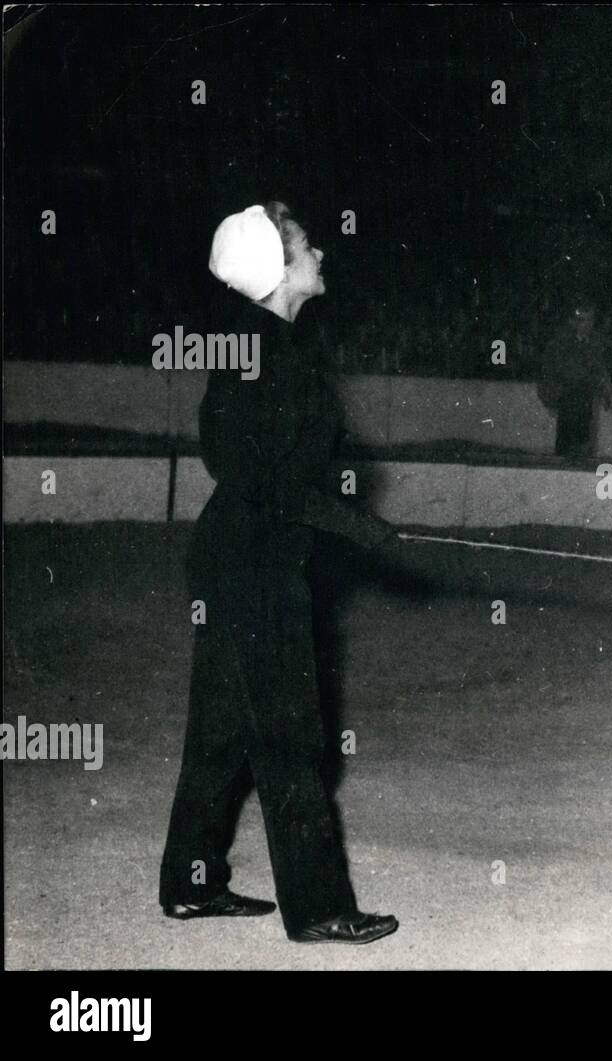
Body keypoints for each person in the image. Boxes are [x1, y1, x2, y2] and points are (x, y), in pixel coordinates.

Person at [159, 203, 399, 944]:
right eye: (303, 245)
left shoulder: (262, 346)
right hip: (255, 568)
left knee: (223, 731)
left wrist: (342, 518)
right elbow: (254, 473)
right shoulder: (265, 353)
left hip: (241, 557)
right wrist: (353, 523)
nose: (318, 249)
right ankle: (321, 905)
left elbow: (260, 472)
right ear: (276, 270)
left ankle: (191, 882)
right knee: (292, 734)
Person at [537, 295, 612, 459]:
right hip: (567, 398)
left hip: (585, 401)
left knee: (583, 439)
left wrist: (607, 393)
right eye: (581, 320)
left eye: (589, 320)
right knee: (568, 442)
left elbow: (600, 370)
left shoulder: (596, 343)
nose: (586, 325)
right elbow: (558, 372)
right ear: (572, 321)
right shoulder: (560, 344)